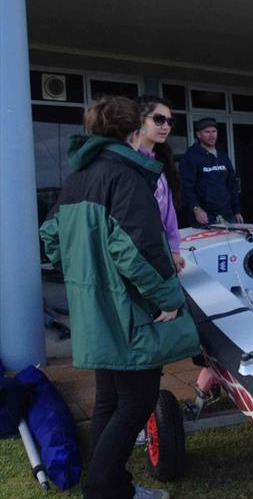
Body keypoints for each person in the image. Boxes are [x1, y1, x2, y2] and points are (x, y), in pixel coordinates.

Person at [40, 95, 200, 499]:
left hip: (93, 308)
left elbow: (51, 239)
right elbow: (138, 250)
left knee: (111, 399)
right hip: (126, 310)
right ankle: (102, 489)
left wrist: (85, 269)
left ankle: (115, 486)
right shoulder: (127, 175)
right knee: (137, 399)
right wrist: (168, 298)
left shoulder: (80, 175)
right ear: (133, 130)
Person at [137, 95, 185, 274]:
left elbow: (168, 212)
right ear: (139, 120)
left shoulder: (160, 164)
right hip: (140, 256)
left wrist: (174, 250)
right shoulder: (127, 164)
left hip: (161, 252)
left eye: (169, 121)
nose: (165, 126)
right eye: (158, 119)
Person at [179, 117, 243, 225]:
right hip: (204, 216)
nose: (211, 135)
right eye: (207, 132)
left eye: (214, 131)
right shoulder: (191, 157)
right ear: (199, 135)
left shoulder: (223, 156)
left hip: (227, 214)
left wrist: (237, 211)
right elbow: (185, 186)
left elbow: (232, 184)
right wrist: (196, 208)